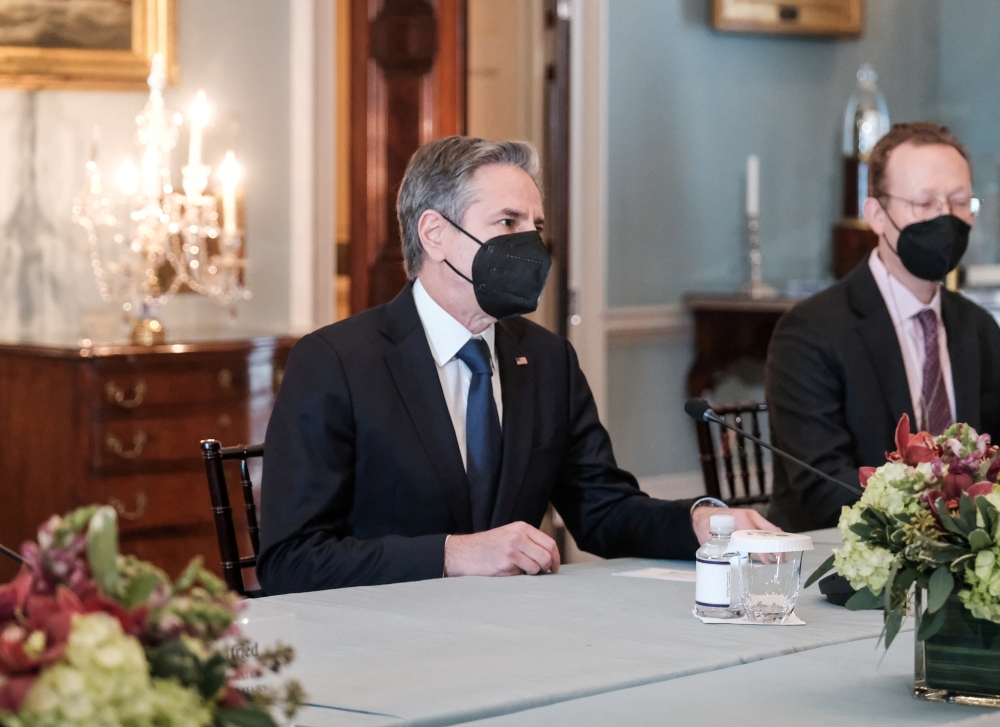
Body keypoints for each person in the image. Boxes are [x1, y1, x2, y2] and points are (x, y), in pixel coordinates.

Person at [257, 136, 774, 594]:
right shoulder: (335, 363)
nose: (532, 244)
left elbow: (603, 511)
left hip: (521, 633)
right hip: (386, 641)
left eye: (536, 226)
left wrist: (699, 523)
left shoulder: (549, 359)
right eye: (509, 222)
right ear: (434, 233)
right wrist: (453, 555)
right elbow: (291, 560)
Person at [766, 122, 1000, 532]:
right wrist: (933, 521)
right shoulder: (810, 332)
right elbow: (821, 487)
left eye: (960, 202)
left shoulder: (978, 328)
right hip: (839, 554)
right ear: (876, 214)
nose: (945, 218)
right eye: (924, 203)